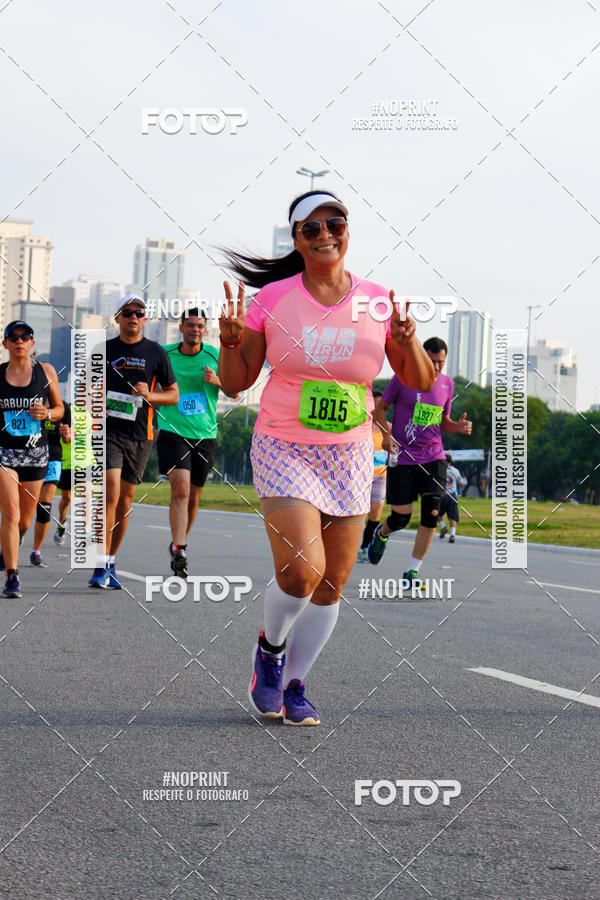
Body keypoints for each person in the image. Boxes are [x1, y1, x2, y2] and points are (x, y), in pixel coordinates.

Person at [219, 189, 434, 725]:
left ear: (347, 228)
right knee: (301, 572)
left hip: (351, 452)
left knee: (333, 580)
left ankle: (294, 684)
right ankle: (269, 652)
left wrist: (406, 343)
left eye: (332, 223)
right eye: (309, 229)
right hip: (283, 445)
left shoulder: (377, 300)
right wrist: (227, 342)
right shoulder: (271, 299)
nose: (323, 235)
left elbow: (420, 382)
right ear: (295, 239)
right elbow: (235, 383)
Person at [88, 294, 178, 589]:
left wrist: (150, 395)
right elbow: (85, 392)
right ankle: (100, 564)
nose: (134, 317)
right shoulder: (103, 349)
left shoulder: (156, 352)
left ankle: (111, 560)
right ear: (117, 318)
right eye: (127, 312)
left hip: (141, 435)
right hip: (108, 433)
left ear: (145, 319)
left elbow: (173, 394)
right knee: (110, 493)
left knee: (125, 500)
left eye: (139, 312)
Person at [368, 337, 472, 583]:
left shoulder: (447, 384)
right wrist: (385, 436)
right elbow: (379, 409)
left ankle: (412, 570)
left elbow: (443, 422)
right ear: (421, 357)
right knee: (401, 518)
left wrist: (457, 427)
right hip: (403, 458)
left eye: (441, 362)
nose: (436, 367)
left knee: (432, 512)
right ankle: (382, 533)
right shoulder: (402, 379)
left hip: (433, 457)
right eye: (432, 361)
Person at [157, 307, 238, 577]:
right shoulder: (165, 354)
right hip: (172, 430)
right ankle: (180, 548)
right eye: (190, 325)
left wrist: (217, 379)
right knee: (180, 489)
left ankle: (178, 542)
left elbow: (235, 391)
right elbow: (148, 384)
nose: (195, 330)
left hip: (205, 434)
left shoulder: (215, 355)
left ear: (206, 330)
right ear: (181, 328)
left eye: (200, 326)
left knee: (194, 496)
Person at [0, 321, 63, 597]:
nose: (19, 341)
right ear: (5, 344)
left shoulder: (45, 372)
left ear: (32, 343)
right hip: (4, 453)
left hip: (36, 454)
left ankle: (8, 547)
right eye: (13, 337)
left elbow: (60, 407)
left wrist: (47, 414)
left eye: (25, 336)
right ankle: (12, 576)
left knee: (25, 521)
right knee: (10, 513)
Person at [29, 402, 71, 566]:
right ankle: (16, 537)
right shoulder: (30, 399)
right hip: (29, 456)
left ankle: (36, 552)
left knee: (45, 507)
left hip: (53, 458)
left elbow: (67, 439)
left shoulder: (62, 407)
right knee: (26, 508)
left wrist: (67, 435)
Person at [356, 390, 390, 562]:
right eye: (374, 405)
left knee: (375, 513)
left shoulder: (389, 428)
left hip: (380, 475)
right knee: (358, 512)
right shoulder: (362, 426)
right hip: (361, 475)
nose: (377, 409)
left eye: (380, 406)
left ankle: (365, 547)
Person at [54, 402, 72, 545]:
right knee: (67, 499)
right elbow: (66, 439)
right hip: (67, 460)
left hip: (87, 461)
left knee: (87, 497)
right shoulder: (67, 410)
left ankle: (84, 532)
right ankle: (62, 522)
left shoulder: (98, 414)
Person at [439, 452, 466, 543]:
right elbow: (462, 483)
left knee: (436, 513)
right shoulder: (455, 471)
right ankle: (452, 534)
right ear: (451, 461)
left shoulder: (440, 469)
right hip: (452, 496)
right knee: (452, 515)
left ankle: (443, 527)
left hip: (441, 494)